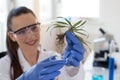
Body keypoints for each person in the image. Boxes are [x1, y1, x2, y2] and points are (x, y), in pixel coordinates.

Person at [0, 6, 85, 80]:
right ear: (12, 36)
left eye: (34, 28)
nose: (31, 36)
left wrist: (72, 68)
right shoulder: (3, 65)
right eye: (22, 32)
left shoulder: (52, 57)